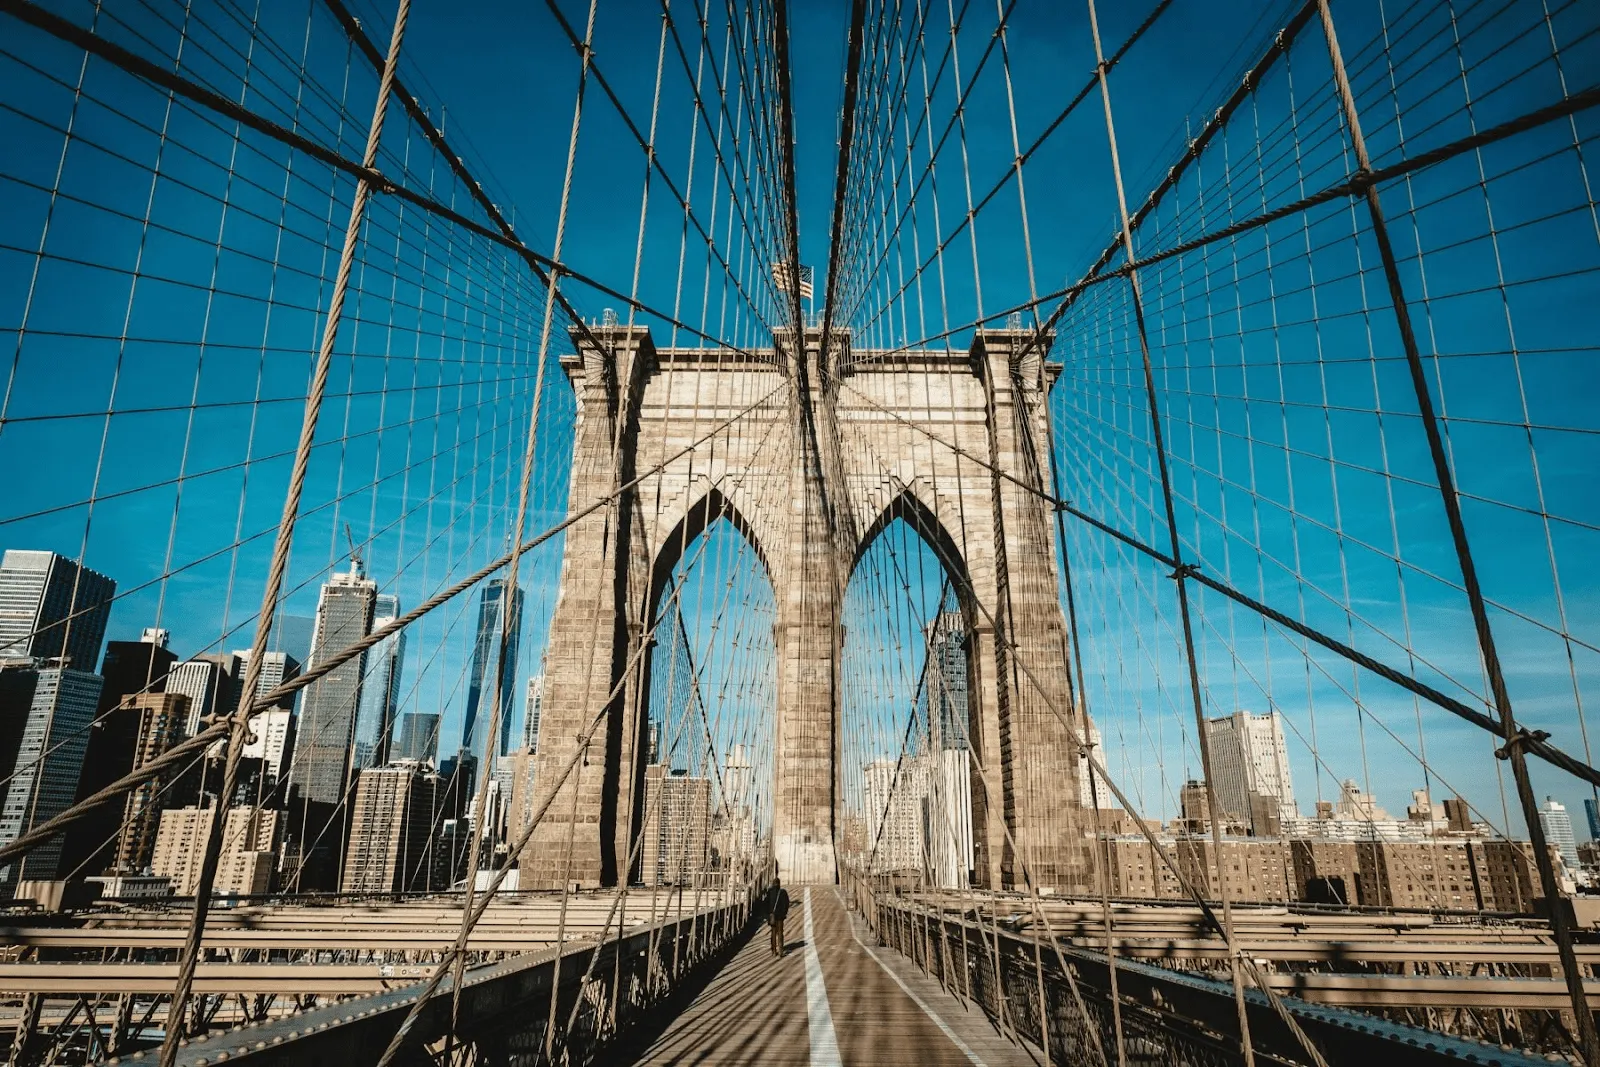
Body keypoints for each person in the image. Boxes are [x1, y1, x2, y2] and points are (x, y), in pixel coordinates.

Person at [767, 877, 791, 958]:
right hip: (780, 916)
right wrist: (784, 913)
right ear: (779, 884)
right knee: (780, 933)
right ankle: (781, 950)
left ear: (773, 883)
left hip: (772, 916)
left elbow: (766, 903)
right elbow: (787, 903)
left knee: (773, 933)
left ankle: (774, 951)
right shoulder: (783, 892)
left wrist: (769, 914)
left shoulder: (770, 892)